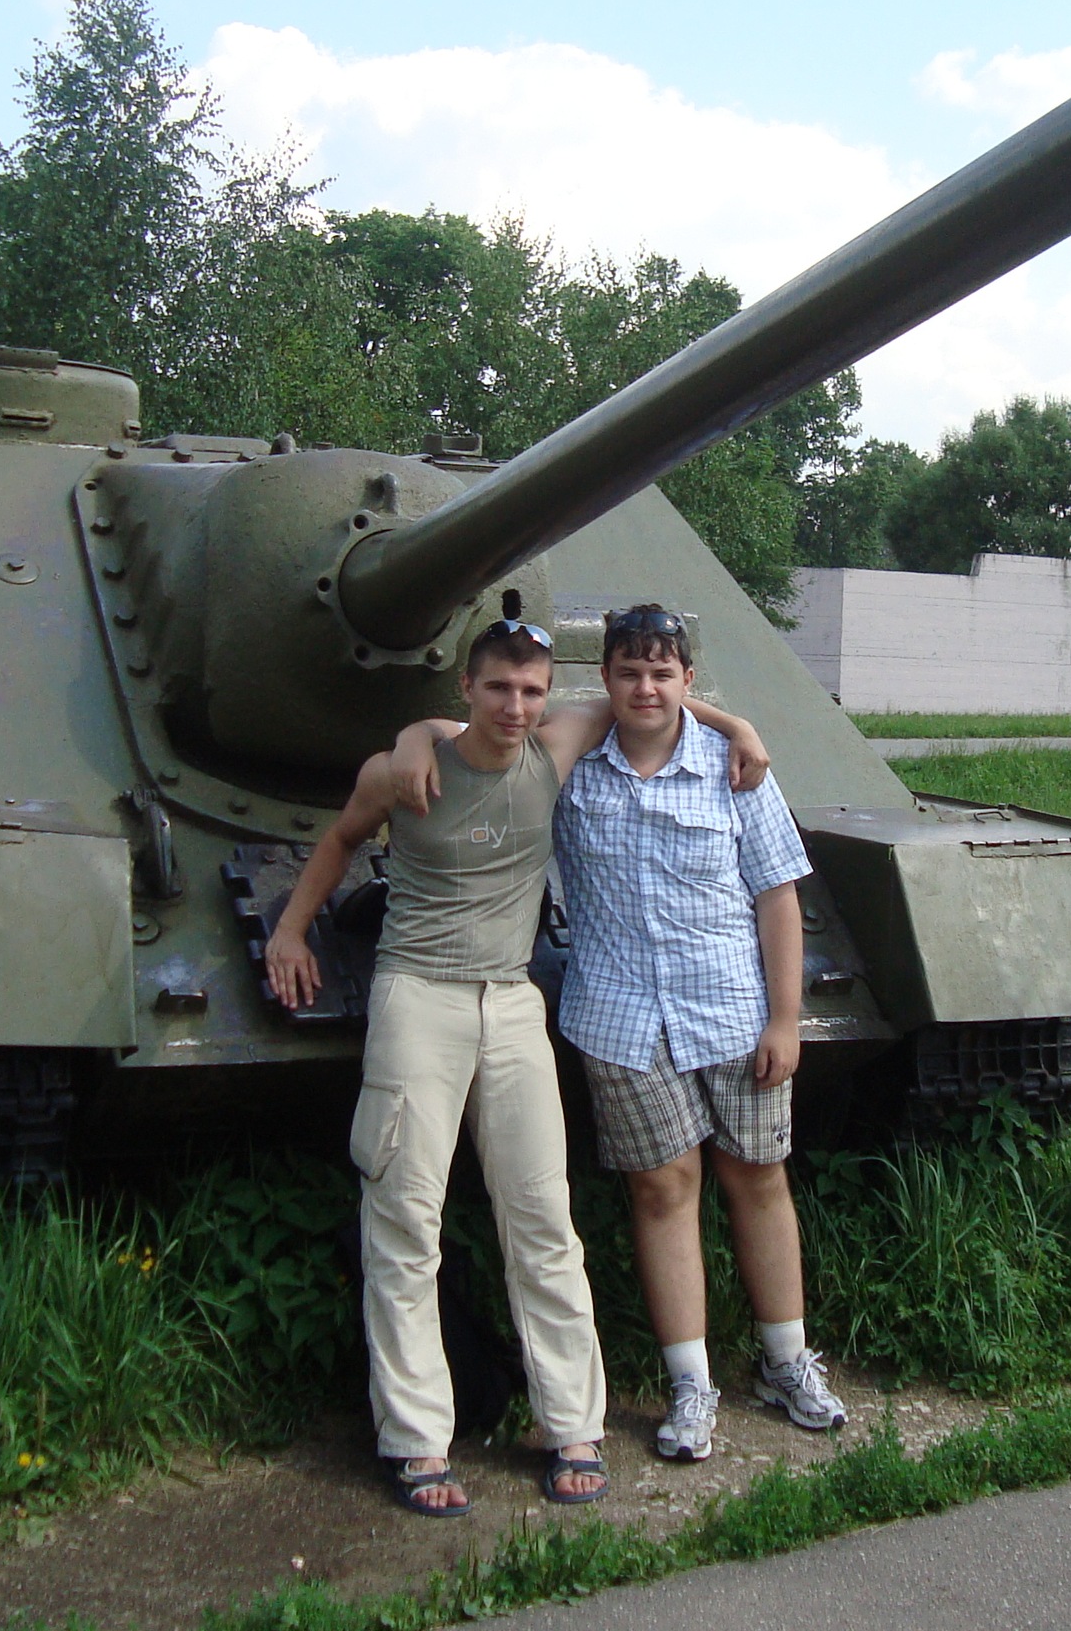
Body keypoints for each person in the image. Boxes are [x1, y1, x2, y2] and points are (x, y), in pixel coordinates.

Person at [268, 616, 769, 1517]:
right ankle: (417, 1440)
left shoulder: (557, 744)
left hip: (510, 1002)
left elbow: (652, 699)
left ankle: (572, 1424)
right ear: (466, 688)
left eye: (532, 690)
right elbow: (341, 839)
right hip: (418, 996)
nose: (516, 706)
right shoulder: (403, 769)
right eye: (498, 687)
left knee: (543, 1217)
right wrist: (291, 930)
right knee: (405, 1219)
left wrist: (740, 728)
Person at [547, 605, 846, 1462]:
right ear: (605, 678)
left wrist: (785, 1019)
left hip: (733, 1013)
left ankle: (786, 1363)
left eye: (663, 673)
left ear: (687, 679)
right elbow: (489, 733)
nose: (646, 688)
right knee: (662, 1190)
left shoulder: (734, 769)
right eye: (628, 672)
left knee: (758, 1177)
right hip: (620, 1020)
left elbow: (777, 895)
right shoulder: (574, 768)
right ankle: (691, 1384)